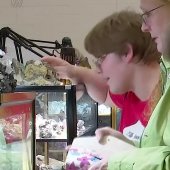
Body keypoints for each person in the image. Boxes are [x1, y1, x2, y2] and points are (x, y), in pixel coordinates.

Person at [42, 10, 162, 147]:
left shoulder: (163, 104)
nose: (99, 69)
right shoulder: (132, 94)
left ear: (126, 53)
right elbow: (105, 93)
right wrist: (75, 72)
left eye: (102, 58)